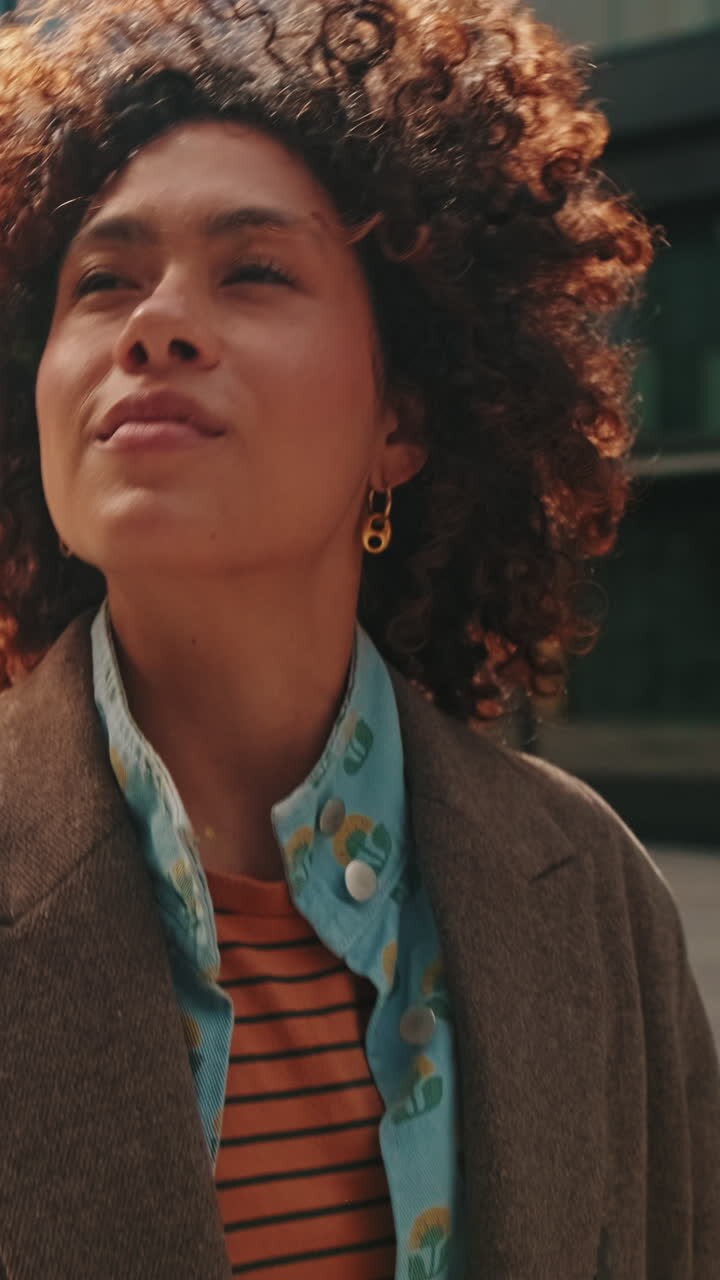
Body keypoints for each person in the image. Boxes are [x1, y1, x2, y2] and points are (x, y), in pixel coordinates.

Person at [0, 0, 717, 1276]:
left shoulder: (594, 895)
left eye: (255, 271)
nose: (154, 323)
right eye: (103, 280)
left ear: (403, 421)